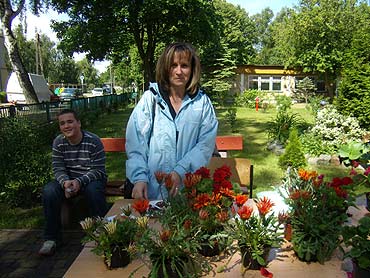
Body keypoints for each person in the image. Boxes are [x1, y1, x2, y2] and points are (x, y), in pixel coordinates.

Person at [125, 42, 218, 200]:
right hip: (152, 190)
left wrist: (180, 171)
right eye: (173, 65)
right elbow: (136, 143)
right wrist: (139, 178)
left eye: (184, 65)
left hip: (188, 190)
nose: (179, 71)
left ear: (192, 69)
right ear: (165, 68)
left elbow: (205, 145)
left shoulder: (202, 103)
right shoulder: (151, 99)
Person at [38, 109, 108, 256]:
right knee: (49, 191)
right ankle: (52, 238)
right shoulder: (59, 142)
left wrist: (79, 181)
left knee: (93, 191)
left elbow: (98, 170)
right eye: (62, 123)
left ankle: (101, 232)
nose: (66, 126)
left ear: (79, 123)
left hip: (91, 179)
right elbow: (58, 168)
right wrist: (65, 183)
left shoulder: (93, 140)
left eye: (70, 121)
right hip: (68, 180)